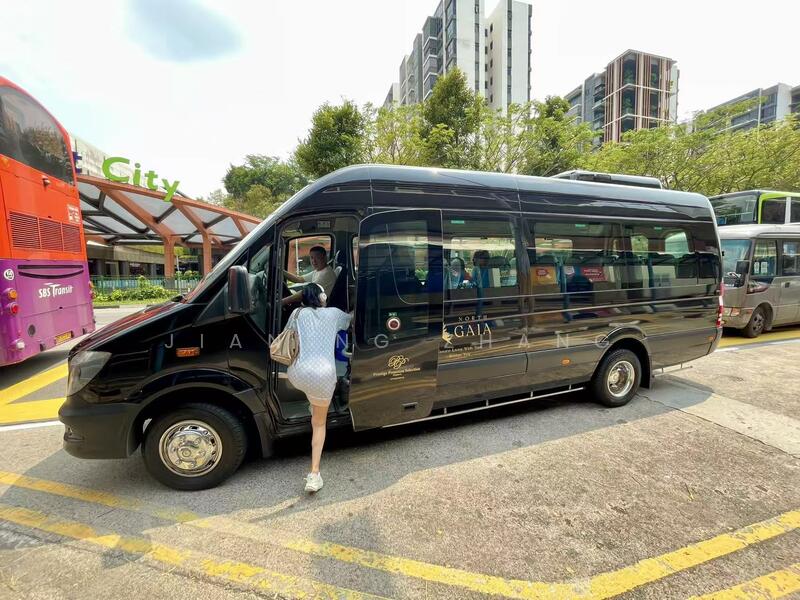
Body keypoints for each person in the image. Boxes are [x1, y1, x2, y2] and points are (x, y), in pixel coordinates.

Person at [285, 283, 352, 492]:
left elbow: (289, 336)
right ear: (322, 297)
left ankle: (312, 403)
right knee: (319, 424)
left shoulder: (297, 313)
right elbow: (350, 319)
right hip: (323, 376)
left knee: (310, 391)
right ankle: (314, 475)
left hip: (297, 373)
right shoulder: (333, 314)